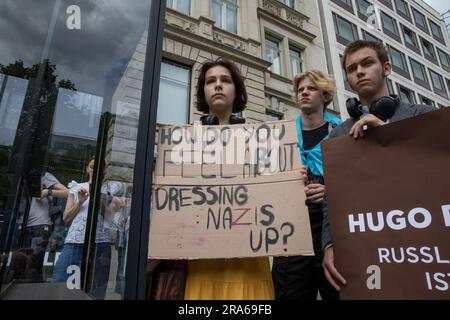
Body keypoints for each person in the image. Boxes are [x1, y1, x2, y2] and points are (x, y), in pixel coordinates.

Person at [321, 40, 436, 291]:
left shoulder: (424, 116)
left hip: (424, 246)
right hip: (366, 252)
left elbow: (437, 175)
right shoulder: (337, 135)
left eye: (367, 63)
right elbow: (333, 198)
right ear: (348, 80)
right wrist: (329, 244)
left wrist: (387, 137)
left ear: (387, 68)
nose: (359, 71)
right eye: (352, 69)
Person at [183, 59, 275, 300]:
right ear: (203, 90)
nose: (218, 86)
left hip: (249, 261)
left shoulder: (260, 138)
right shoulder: (185, 140)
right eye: (211, 81)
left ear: (237, 90)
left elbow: (275, 194)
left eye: (225, 80)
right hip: (203, 260)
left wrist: (291, 182)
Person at [271, 70, 341, 300]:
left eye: (311, 88)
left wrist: (330, 192)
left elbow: (356, 183)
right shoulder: (284, 136)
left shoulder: (341, 132)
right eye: (300, 89)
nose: (304, 92)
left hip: (331, 234)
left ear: (325, 94)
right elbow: (268, 184)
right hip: (292, 233)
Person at [52, 158, 122, 299]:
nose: (94, 169)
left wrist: (100, 200)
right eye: (92, 166)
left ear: (103, 171)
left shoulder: (108, 190)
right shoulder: (77, 187)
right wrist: (80, 202)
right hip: (75, 241)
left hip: (99, 243)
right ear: (87, 169)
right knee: (61, 277)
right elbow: (66, 217)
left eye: (98, 167)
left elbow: (112, 215)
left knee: (97, 285)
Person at [18, 171, 68, 281]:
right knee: (19, 263)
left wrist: (47, 192)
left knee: (34, 263)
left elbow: (67, 192)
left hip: (40, 226)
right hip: (20, 225)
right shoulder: (18, 175)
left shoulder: (44, 176)